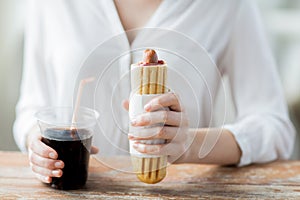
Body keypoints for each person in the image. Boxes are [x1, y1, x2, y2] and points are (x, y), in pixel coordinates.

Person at [14, 0, 295, 184]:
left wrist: (190, 144)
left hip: (182, 191)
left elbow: (275, 128)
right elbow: (31, 110)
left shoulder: (228, 6)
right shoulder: (50, 5)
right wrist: (37, 146)